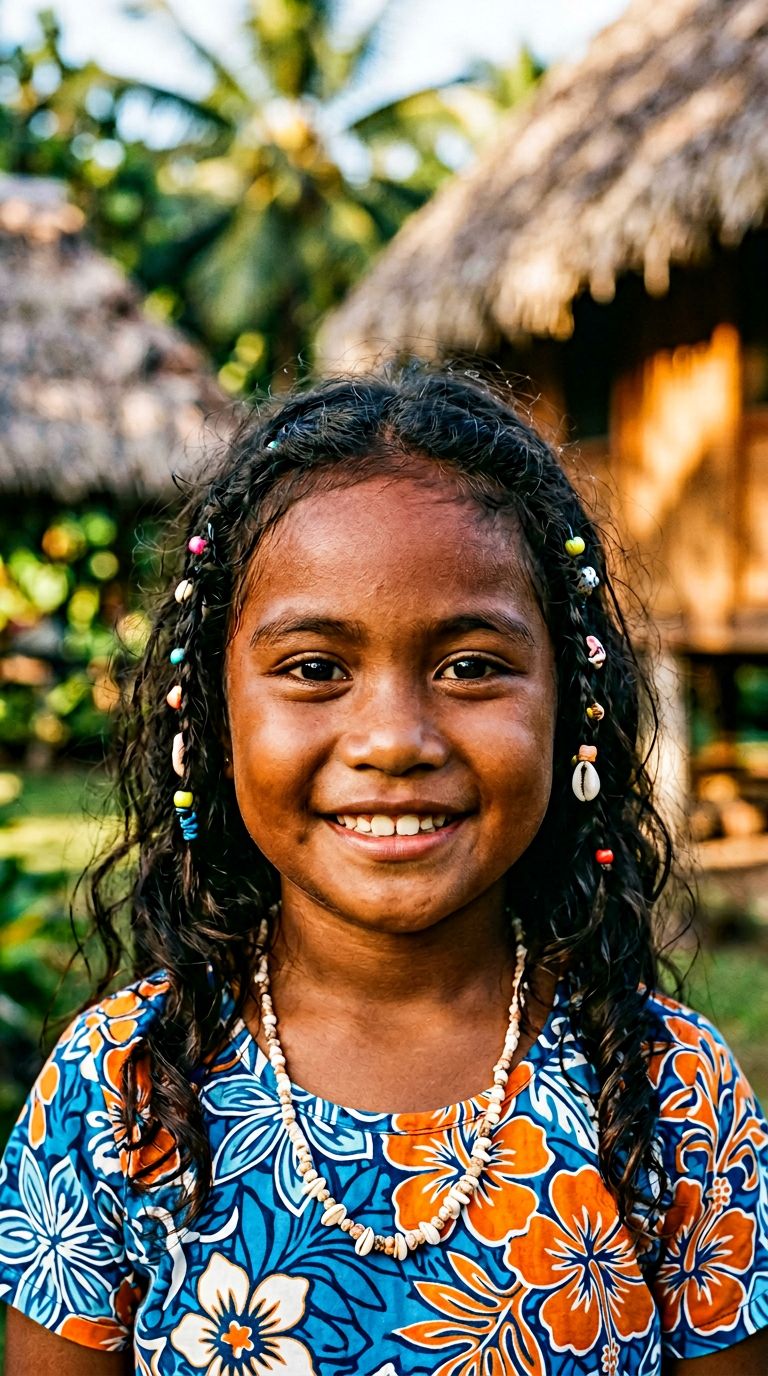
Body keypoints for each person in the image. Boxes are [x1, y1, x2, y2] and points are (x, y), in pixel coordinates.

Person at [0, 368, 767, 1376]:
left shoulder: (668, 1092)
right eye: (315, 668)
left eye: (471, 666)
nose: (395, 739)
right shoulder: (122, 1089)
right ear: (215, 717)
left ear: (572, 702)